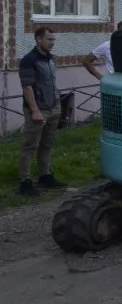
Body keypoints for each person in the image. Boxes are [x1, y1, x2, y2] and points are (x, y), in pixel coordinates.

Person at [18, 27, 67, 196]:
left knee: (47, 144)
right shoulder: (29, 60)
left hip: (53, 107)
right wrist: (35, 110)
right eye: (49, 40)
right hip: (38, 110)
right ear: (39, 39)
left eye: (53, 40)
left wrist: (58, 104)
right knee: (30, 146)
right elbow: (27, 87)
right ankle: (25, 182)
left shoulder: (50, 59)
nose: (52, 43)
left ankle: (45, 176)